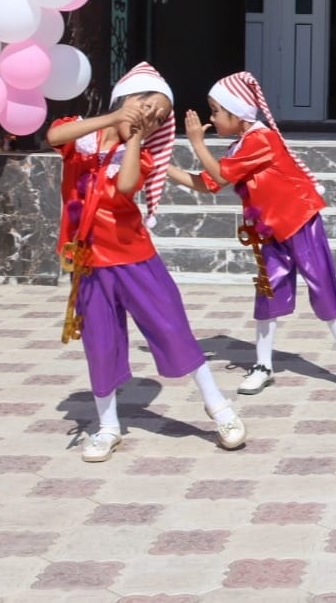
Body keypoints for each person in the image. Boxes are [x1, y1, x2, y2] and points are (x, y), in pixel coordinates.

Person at [46, 61, 247, 462]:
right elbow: (53, 135)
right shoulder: (80, 137)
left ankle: (219, 408)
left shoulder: (143, 156)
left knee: (173, 328)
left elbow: (124, 187)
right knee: (99, 342)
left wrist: (135, 137)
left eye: (158, 117)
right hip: (89, 261)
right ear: (126, 98)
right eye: (147, 106)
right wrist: (113, 118)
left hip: (134, 257)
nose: (151, 117)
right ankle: (107, 427)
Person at [166, 72, 336, 400]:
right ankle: (263, 365)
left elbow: (220, 175)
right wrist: (160, 167)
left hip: (300, 223)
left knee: (323, 289)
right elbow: (209, 183)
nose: (212, 118)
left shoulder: (262, 140)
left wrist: (197, 143)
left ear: (238, 114)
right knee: (267, 292)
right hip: (268, 231)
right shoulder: (240, 147)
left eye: (216, 111)